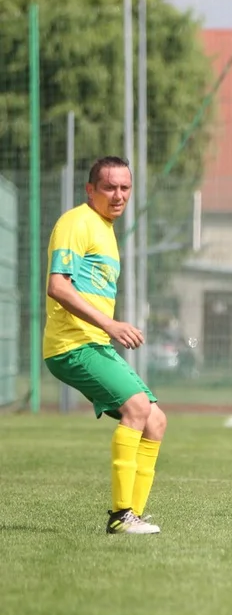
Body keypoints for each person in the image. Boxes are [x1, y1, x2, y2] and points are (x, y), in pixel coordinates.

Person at [43, 156, 166, 534]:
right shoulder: (76, 222)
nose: (118, 195)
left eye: (125, 188)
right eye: (109, 187)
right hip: (71, 344)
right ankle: (120, 516)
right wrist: (110, 324)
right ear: (90, 189)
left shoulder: (105, 229)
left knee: (155, 421)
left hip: (93, 343)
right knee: (137, 406)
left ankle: (134, 515)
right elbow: (58, 285)